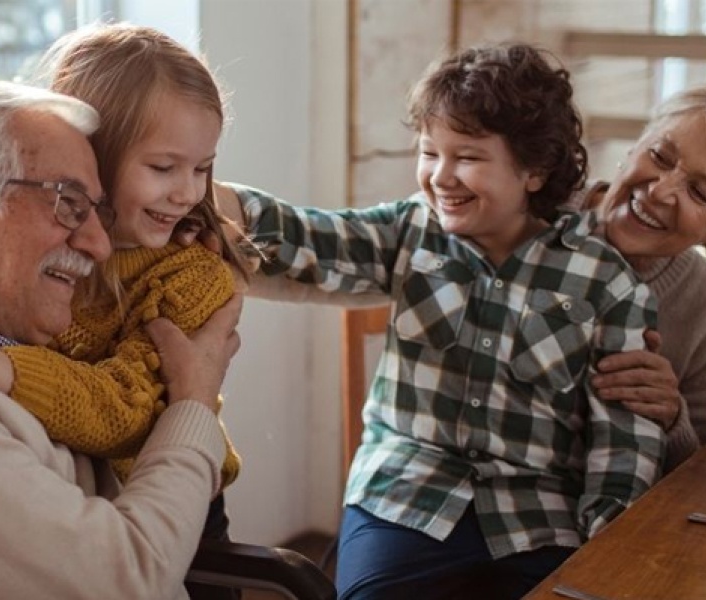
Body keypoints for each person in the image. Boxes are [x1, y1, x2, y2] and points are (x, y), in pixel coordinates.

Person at [218, 42, 666, 599]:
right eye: (430, 152)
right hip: (403, 495)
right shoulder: (409, 230)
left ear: (535, 169)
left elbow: (622, 446)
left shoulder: (605, 281)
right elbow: (307, 235)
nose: (440, 177)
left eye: (469, 157)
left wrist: (609, 552)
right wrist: (199, 191)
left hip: (540, 516)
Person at [0, 23, 251, 543]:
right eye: (163, 168)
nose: (186, 193)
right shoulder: (46, 253)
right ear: (94, 154)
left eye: (202, 169)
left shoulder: (189, 276)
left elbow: (123, 412)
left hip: (176, 510)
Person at [571, 81, 706, 471]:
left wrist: (671, 419)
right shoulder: (521, 208)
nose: (660, 191)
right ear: (636, 144)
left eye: (700, 193)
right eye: (659, 156)